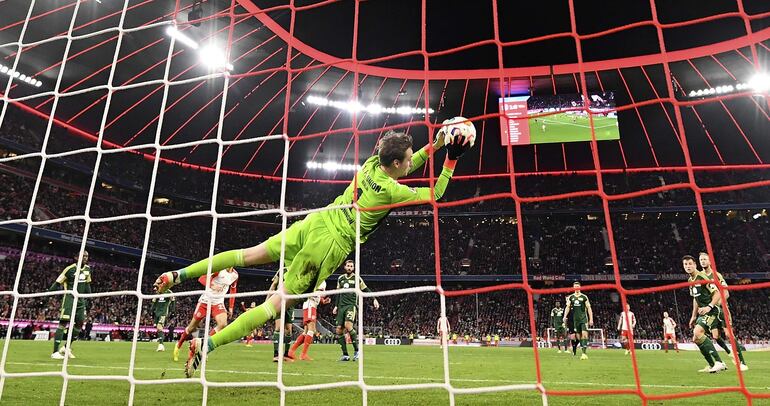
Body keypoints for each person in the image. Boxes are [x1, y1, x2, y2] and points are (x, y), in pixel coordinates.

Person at [154, 129, 468, 377]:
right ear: (397, 164)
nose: (411, 161)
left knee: (245, 255)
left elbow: (408, 162)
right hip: (329, 244)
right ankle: (207, 344)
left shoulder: (372, 163)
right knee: (274, 307)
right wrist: (451, 157)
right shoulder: (392, 190)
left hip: (314, 221)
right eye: (408, 158)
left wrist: (437, 144)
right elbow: (437, 192)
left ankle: (177, 274)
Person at [172, 268, 238, 362]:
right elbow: (201, 278)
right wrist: (212, 284)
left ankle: (203, 346)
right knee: (191, 327)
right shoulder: (219, 269)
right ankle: (178, 345)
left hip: (218, 302)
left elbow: (233, 289)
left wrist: (231, 306)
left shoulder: (235, 275)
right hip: (205, 301)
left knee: (223, 324)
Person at [698, 252, 748, 371]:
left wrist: (717, 304)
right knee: (715, 336)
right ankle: (728, 352)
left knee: (728, 334)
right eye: (701, 260)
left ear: (710, 261)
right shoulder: (700, 277)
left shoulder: (716, 275)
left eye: (705, 259)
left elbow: (726, 293)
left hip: (721, 309)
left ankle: (742, 362)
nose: (703, 261)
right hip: (711, 311)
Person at [682, 255, 726, 373]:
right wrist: (693, 316)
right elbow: (695, 299)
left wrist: (709, 306)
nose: (688, 266)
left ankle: (719, 362)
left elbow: (717, 293)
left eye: (690, 263)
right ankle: (712, 365)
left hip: (712, 311)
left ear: (695, 265)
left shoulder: (702, 277)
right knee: (696, 339)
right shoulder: (690, 280)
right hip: (702, 313)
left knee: (698, 332)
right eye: (685, 264)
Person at [48, 251, 92, 360]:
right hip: (69, 299)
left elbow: (87, 285)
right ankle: (55, 352)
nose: (85, 258)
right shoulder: (69, 269)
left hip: (80, 301)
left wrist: (90, 298)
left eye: (86, 256)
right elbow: (57, 283)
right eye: (83, 256)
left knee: (79, 324)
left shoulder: (87, 269)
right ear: (76, 257)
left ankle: (66, 348)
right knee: (63, 323)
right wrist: (48, 293)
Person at [333, 260, 380, 361]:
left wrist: (374, 299)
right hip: (341, 307)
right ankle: (345, 355)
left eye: (351, 266)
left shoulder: (357, 279)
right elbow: (338, 293)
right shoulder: (340, 278)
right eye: (348, 266)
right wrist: (336, 306)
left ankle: (357, 351)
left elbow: (366, 289)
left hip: (351, 305)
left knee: (348, 325)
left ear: (353, 268)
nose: (349, 268)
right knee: (339, 330)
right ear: (345, 267)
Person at [288, 281, 331, 361]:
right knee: (311, 330)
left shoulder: (323, 281)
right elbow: (310, 291)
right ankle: (303, 354)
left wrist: (323, 301)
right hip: (310, 305)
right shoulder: (316, 279)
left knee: (306, 331)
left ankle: (291, 351)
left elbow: (318, 296)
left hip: (312, 305)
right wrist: (322, 293)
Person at [563, 281, 593, 360]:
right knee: (578, 336)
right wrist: (564, 316)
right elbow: (568, 307)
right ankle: (583, 348)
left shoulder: (584, 297)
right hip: (575, 320)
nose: (576, 288)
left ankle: (584, 353)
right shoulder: (571, 297)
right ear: (573, 288)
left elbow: (589, 308)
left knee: (584, 334)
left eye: (578, 286)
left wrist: (591, 319)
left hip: (583, 319)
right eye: (575, 286)